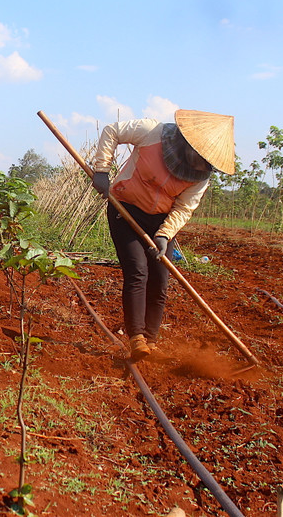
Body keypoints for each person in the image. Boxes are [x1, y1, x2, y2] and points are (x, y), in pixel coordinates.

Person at [91, 109, 234, 361]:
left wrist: (164, 235)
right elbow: (111, 131)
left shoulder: (201, 178)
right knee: (137, 271)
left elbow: (184, 208)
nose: (201, 166)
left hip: (160, 222)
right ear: (189, 143)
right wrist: (102, 170)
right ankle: (136, 338)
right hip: (125, 210)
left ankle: (151, 340)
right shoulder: (152, 132)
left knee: (160, 280)